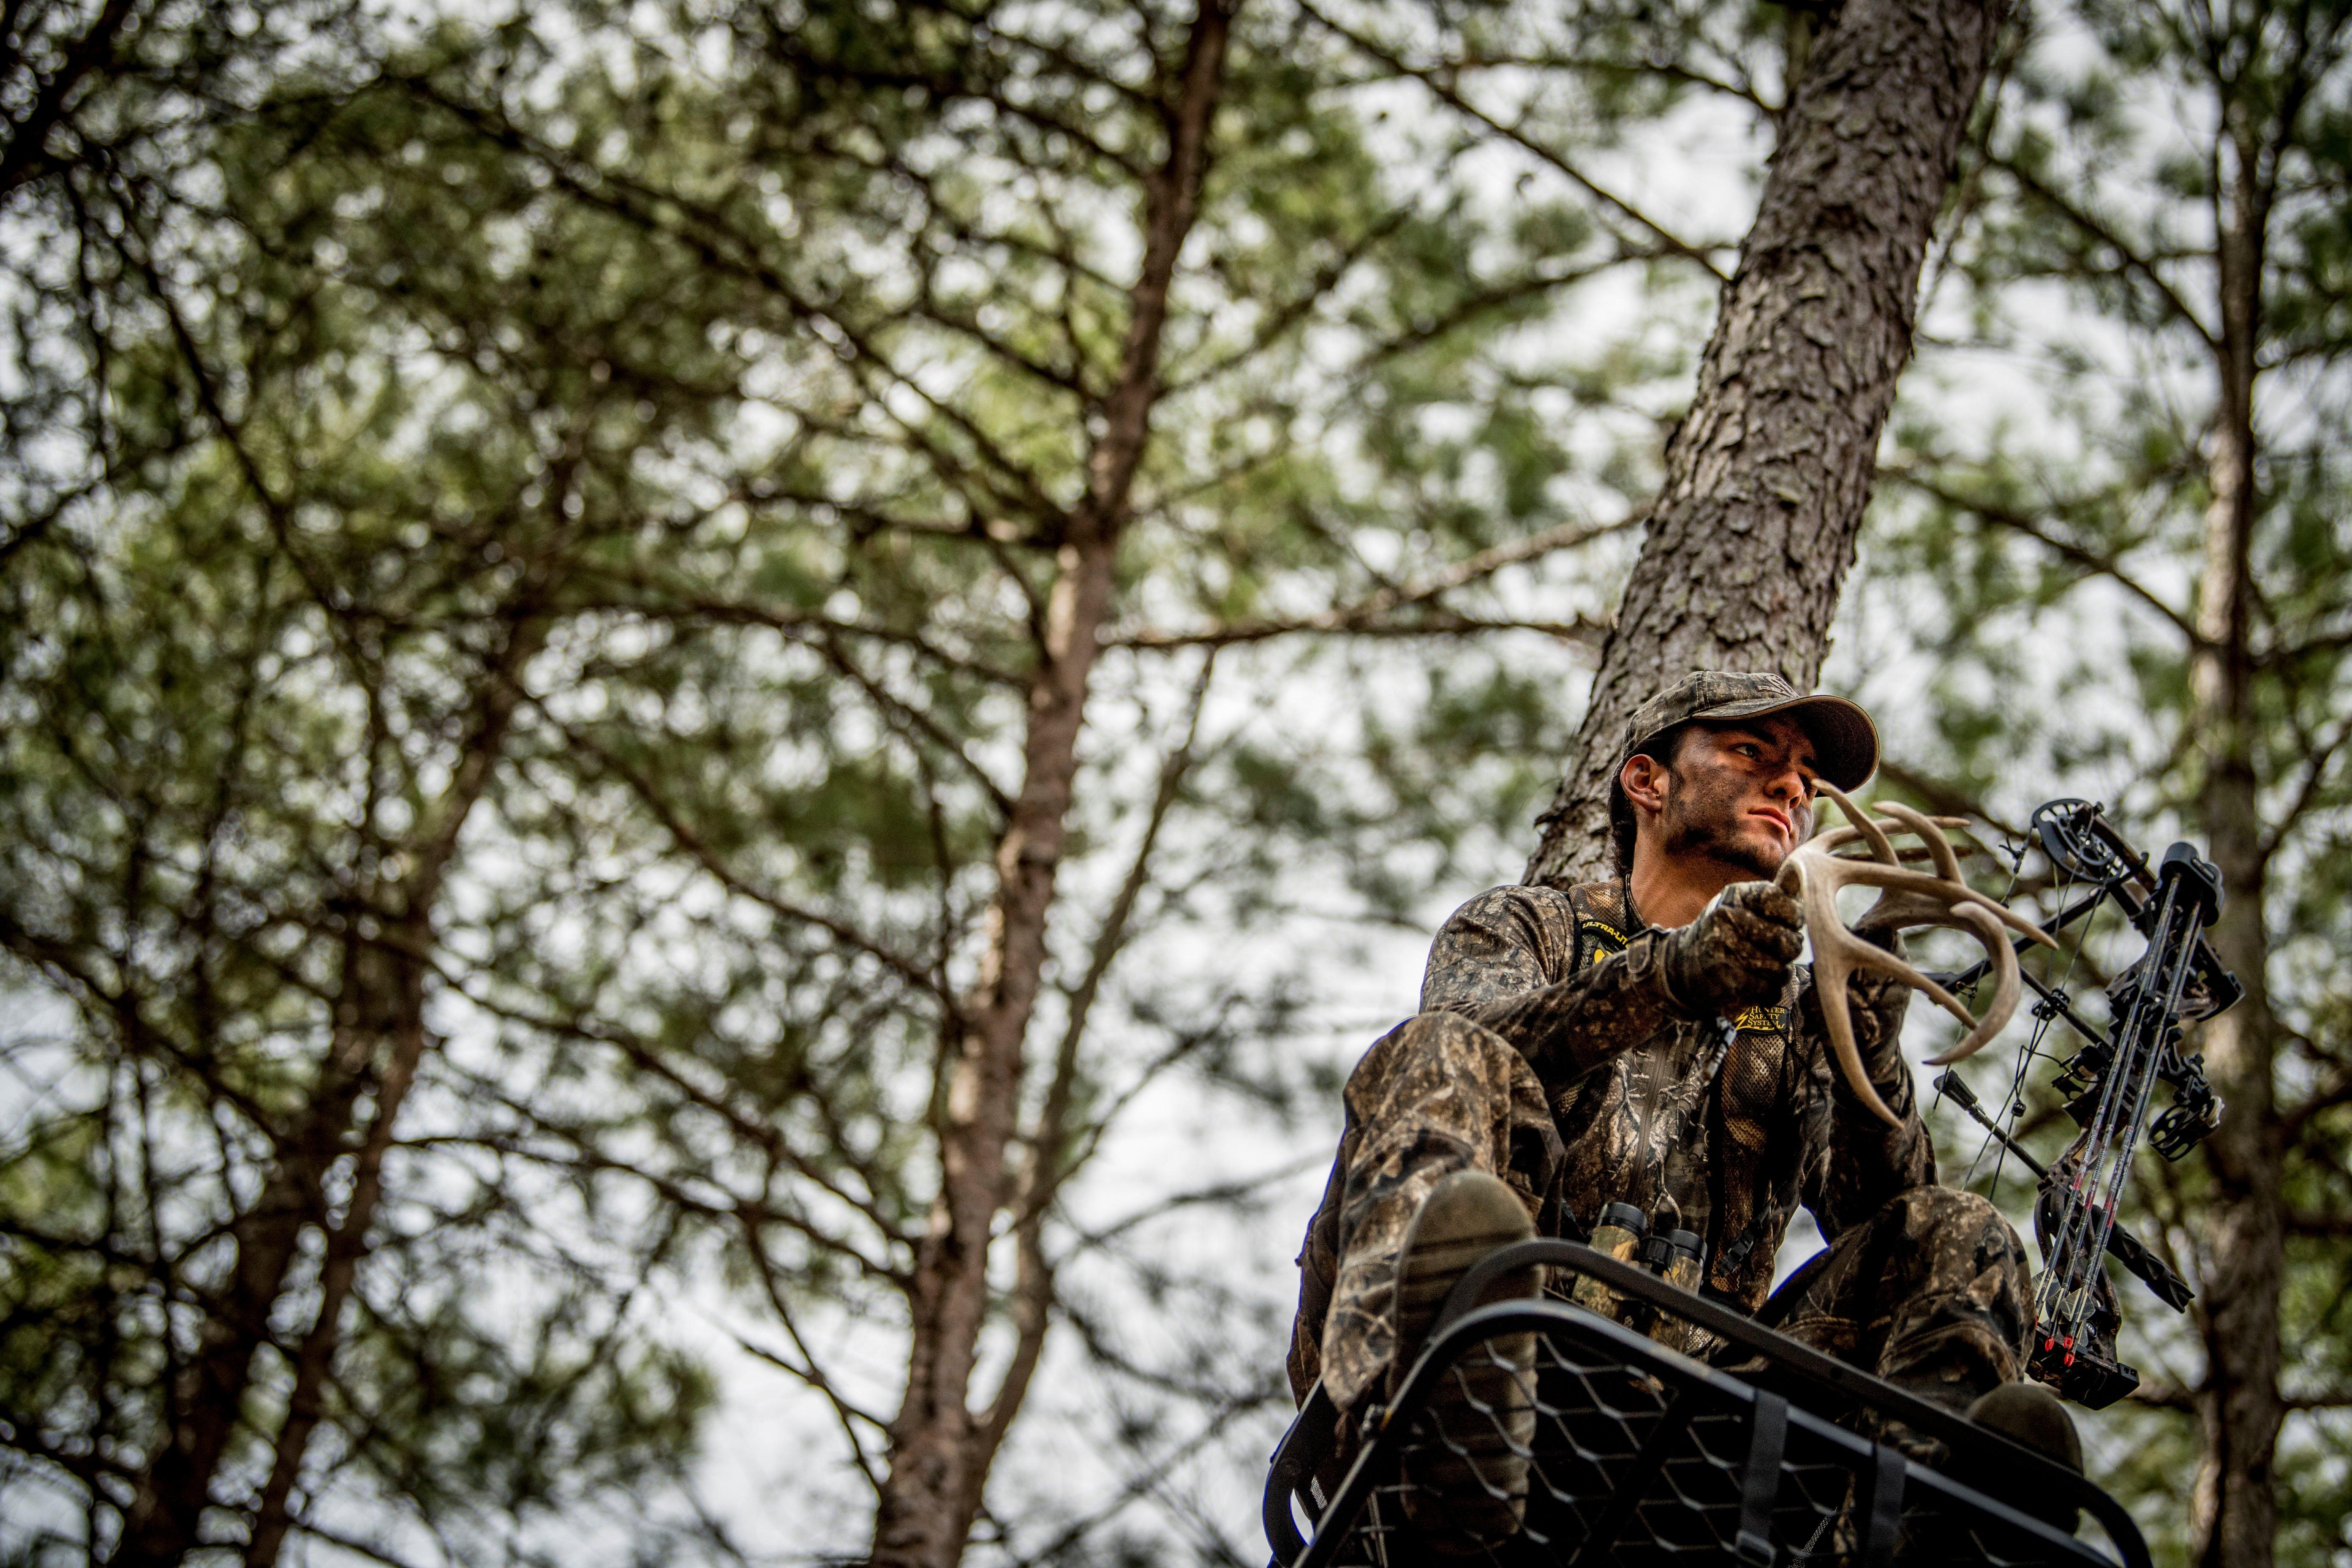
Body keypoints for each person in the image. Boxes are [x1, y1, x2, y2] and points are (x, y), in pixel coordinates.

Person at [1285, 670, 2075, 1549]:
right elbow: (1463, 1039)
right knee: (1441, 1052)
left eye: (1807, 778)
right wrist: (1672, 974)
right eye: (1753, 753)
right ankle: (1435, 1450)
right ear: (1648, 781)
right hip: (1490, 1394)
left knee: (1965, 1232)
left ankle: (1923, 1535)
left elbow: (1891, 1224)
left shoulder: (1800, 1023)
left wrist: (1870, 1037)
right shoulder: (1525, 926)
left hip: (1680, 1456)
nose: (1794, 787)